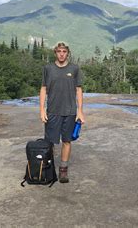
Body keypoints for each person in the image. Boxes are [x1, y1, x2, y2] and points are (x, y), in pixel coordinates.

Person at [39, 41, 85, 183]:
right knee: (49, 142)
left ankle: (63, 170)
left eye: (64, 52)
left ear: (67, 53)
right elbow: (43, 88)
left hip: (70, 111)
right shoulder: (48, 68)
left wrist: (80, 111)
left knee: (67, 141)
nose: (61, 54)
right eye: (59, 51)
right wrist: (41, 109)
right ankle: (48, 168)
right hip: (52, 111)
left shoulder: (74, 68)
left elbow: (78, 89)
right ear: (55, 53)